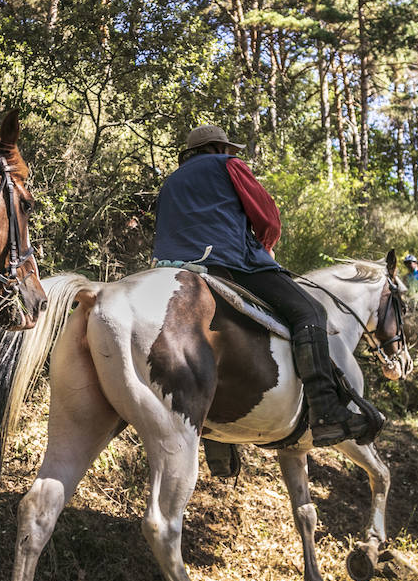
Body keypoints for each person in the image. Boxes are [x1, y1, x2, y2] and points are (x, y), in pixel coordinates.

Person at [153, 124, 386, 448]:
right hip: (227, 262)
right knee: (310, 311)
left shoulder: (171, 181)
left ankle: (217, 445)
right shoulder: (229, 165)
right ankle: (326, 409)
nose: (230, 154)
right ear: (219, 149)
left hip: (171, 268)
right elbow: (268, 218)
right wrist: (265, 246)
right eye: (227, 149)